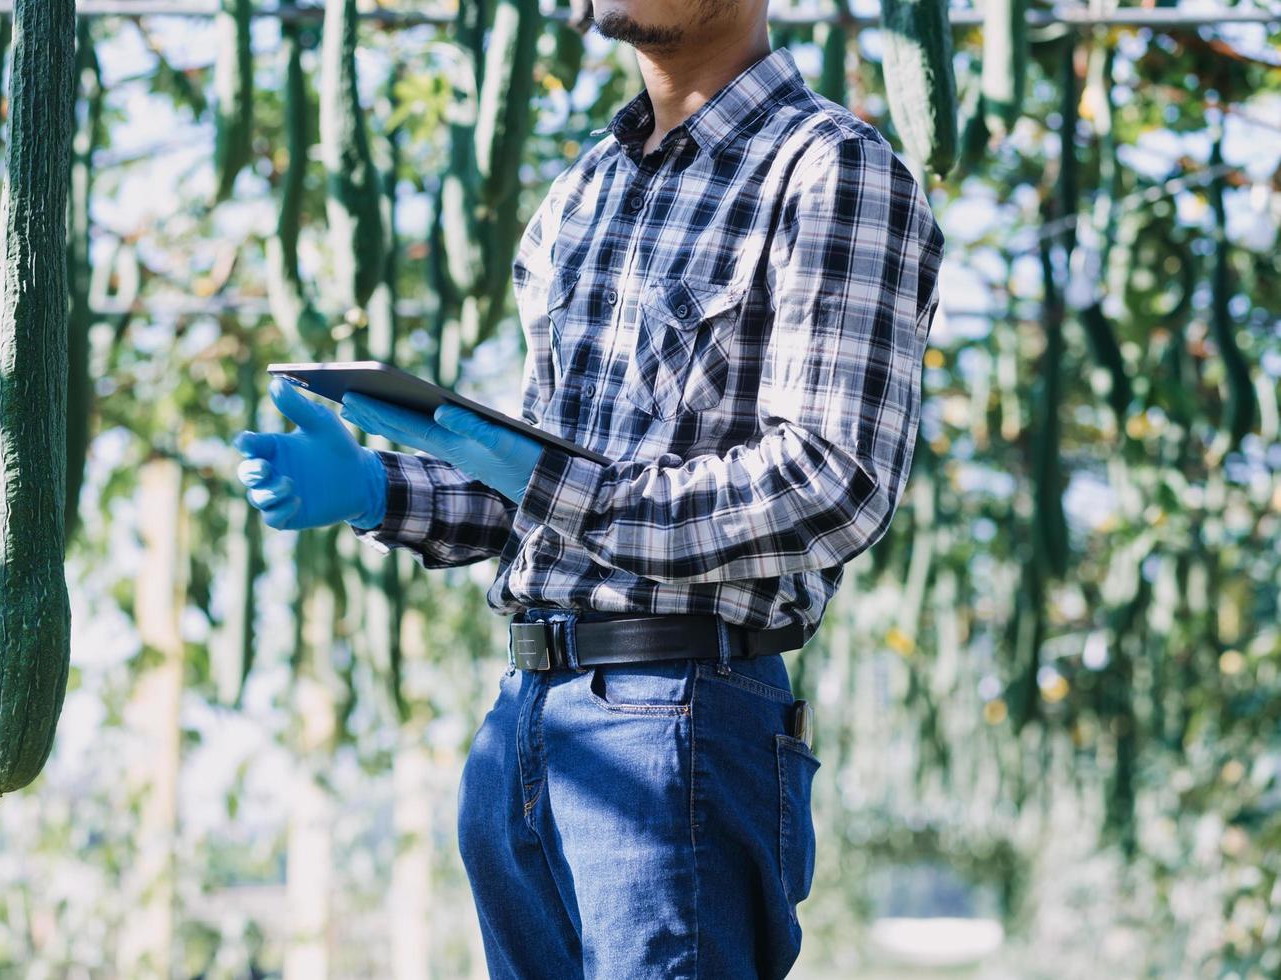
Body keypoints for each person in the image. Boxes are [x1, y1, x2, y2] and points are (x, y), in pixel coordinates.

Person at [234, 0, 944, 974]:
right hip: (525, 714)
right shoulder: (585, 190)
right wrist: (374, 487)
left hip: (679, 716)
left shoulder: (832, 171)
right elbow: (541, 488)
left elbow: (827, 481)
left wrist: (557, 484)